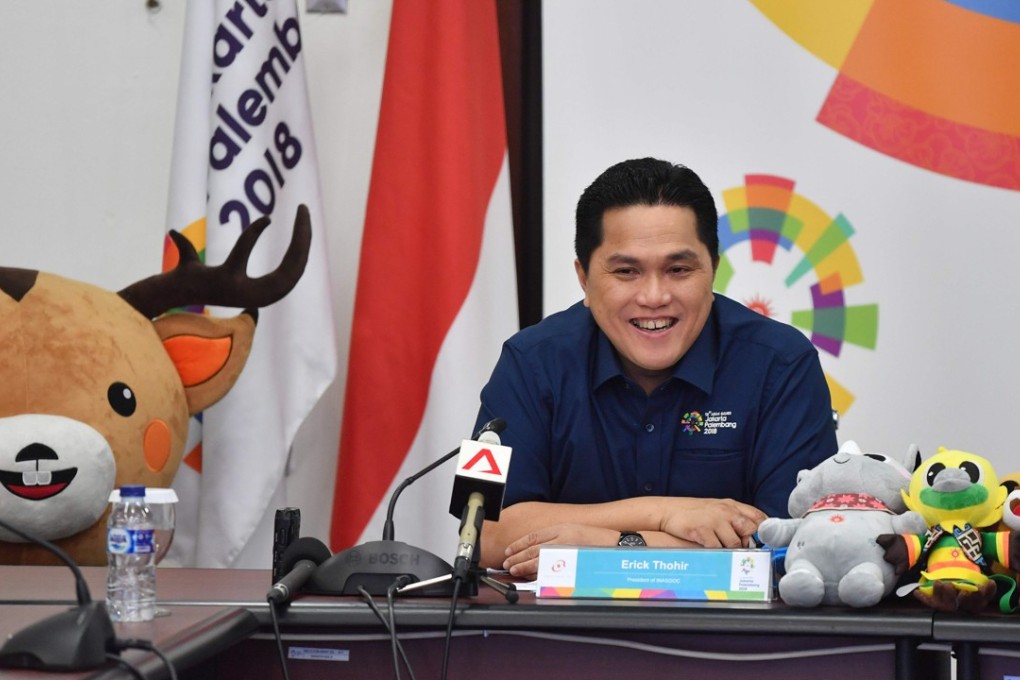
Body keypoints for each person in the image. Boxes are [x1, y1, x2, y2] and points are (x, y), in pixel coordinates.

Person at [474, 157, 838, 579]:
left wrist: (607, 544)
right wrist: (665, 514)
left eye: (678, 269)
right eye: (626, 271)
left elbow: (792, 544)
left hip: (735, 640)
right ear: (584, 279)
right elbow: (480, 535)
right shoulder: (526, 362)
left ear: (713, 270)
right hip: (557, 640)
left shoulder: (783, 363)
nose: (654, 296)